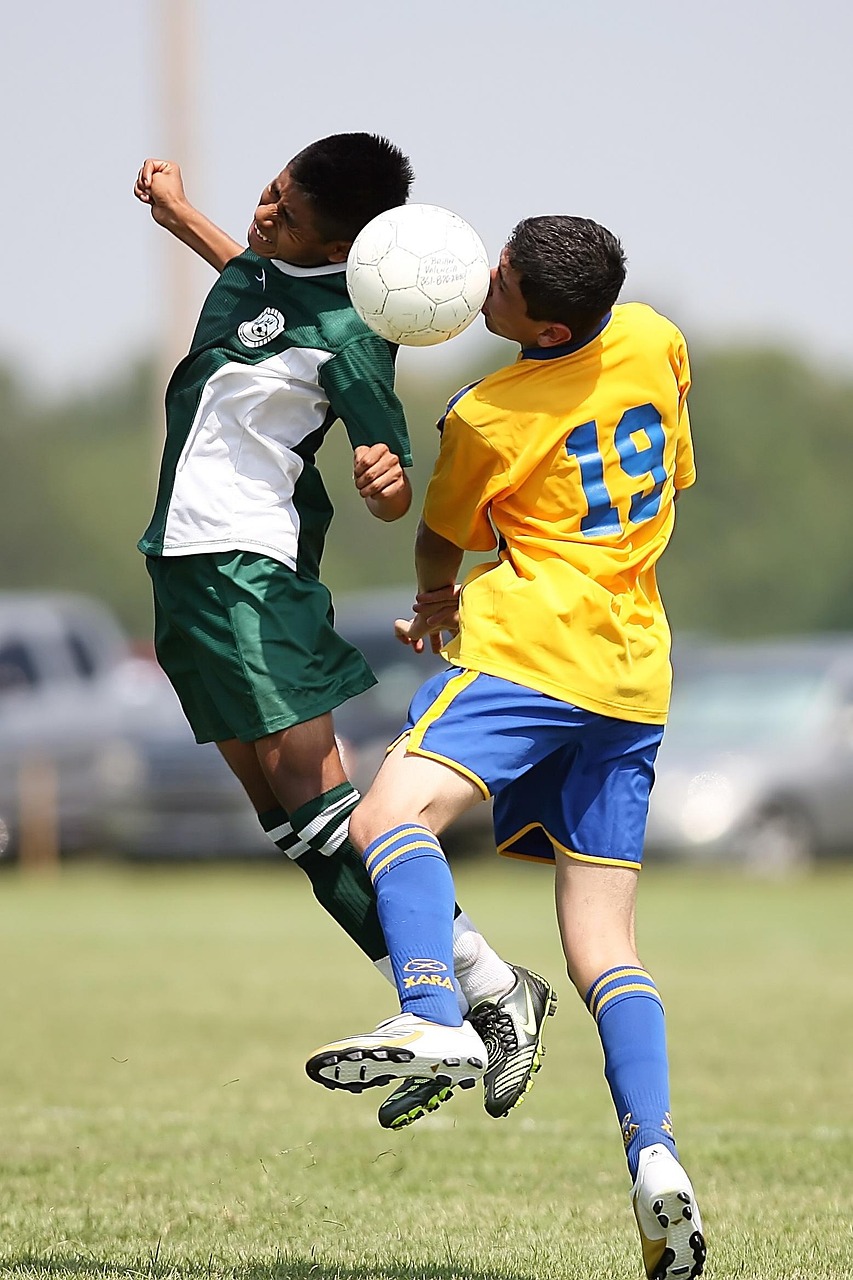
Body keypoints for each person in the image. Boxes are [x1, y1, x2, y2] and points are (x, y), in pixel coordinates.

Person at [306, 215, 706, 1280]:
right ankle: (654, 1151)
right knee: (603, 944)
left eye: (504, 283)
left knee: (387, 815)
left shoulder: (485, 412)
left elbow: (442, 531)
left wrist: (436, 600)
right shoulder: (657, 339)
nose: (484, 283)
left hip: (530, 657)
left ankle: (436, 1008)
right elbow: (672, 471)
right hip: (633, 676)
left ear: (550, 320)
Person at [132, 134, 557, 1132]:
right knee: (293, 823)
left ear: (343, 244)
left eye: (288, 207)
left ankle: (452, 1005)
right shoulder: (251, 272)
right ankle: (485, 991)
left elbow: (389, 473)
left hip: (252, 565)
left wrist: (387, 482)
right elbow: (248, 268)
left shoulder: (358, 336)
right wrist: (177, 210)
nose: (267, 208)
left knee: (318, 796)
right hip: (182, 567)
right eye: (270, 188)